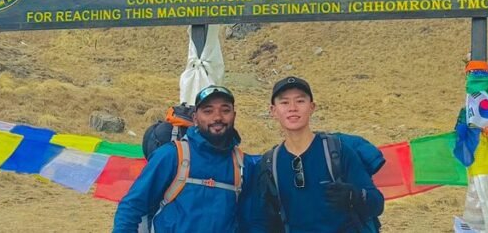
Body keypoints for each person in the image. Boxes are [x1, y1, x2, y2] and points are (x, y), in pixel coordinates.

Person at [251, 76, 385, 233]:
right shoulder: (269, 164)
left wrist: (353, 196)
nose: (292, 108)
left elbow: (377, 203)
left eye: (300, 101)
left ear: (312, 107)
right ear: (273, 111)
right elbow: (261, 220)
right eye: (284, 102)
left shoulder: (338, 151)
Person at [113, 85, 253, 233]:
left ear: (234, 115)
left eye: (225, 110)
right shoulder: (171, 155)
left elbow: (253, 221)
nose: (217, 117)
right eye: (208, 111)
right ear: (195, 118)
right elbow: (132, 207)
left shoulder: (243, 165)